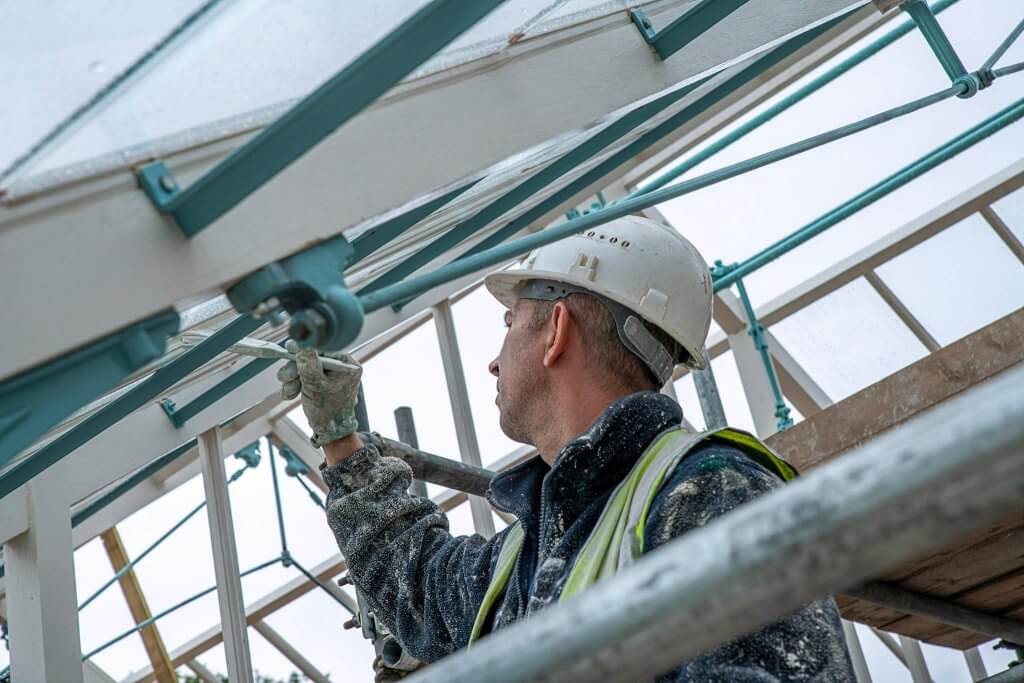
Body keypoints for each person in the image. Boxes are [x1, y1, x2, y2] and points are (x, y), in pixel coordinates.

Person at [278, 216, 856, 681]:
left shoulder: (713, 492)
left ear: (556, 330)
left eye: (510, 321)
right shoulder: (535, 550)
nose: (494, 360)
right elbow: (417, 580)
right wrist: (339, 436)